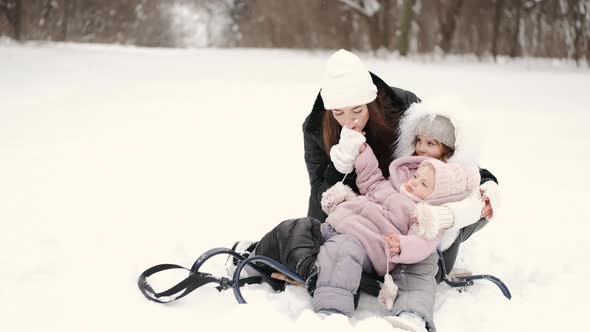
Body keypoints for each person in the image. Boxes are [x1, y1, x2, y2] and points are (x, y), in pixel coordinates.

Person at [228, 50, 500, 332]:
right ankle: (281, 266)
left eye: (358, 110)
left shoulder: (406, 110)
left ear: (371, 100)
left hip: (414, 220)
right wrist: (343, 159)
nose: (349, 120)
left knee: (424, 265)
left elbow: (455, 161)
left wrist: (486, 188)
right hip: (364, 210)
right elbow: (323, 190)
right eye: (339, 113)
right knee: (318, 240)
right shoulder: (315, 129)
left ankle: (410, 310)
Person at [313, 143, 481, 321]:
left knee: (343, 251)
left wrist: (403, 246)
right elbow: (371, 179)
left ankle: (332, 311)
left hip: (367, 244)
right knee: (301, 229)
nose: (413, 182)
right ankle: (294, 259)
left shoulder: (423, 212)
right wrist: (364, 154)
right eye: (415, 176)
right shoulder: (391, 185)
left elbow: (423, 242)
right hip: (336, 223)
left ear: (437, 196)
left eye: (423, 184)